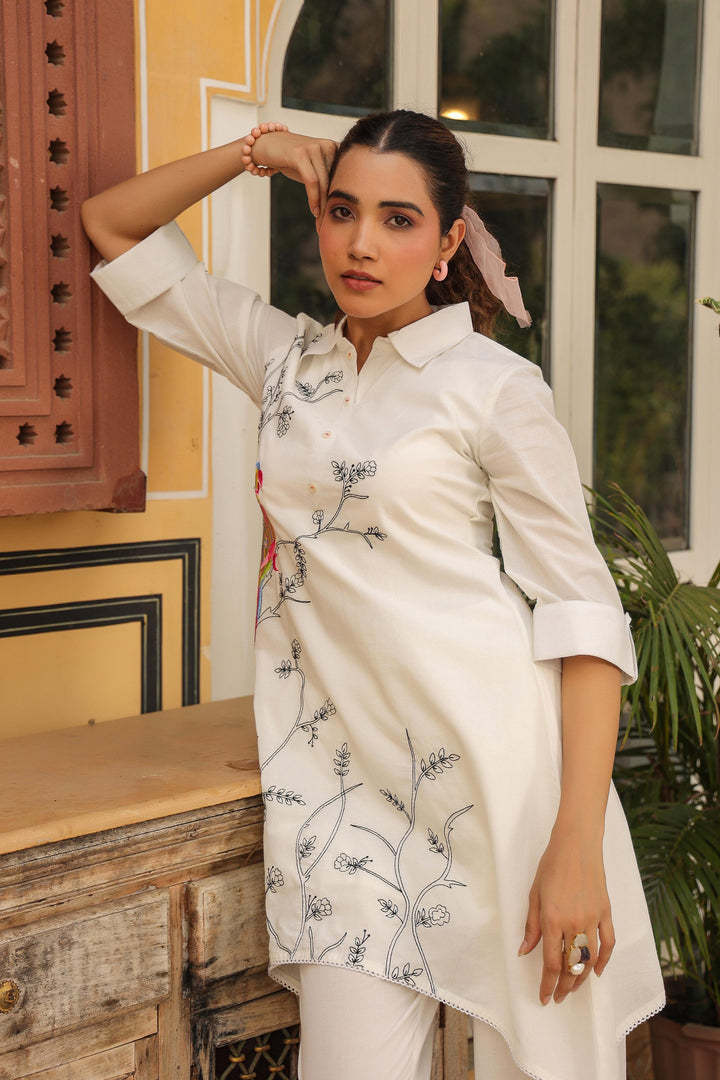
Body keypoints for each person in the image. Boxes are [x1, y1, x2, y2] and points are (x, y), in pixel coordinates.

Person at [81, 110, 665, 1080]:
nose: (360, 243)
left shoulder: (495, 387)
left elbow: (584, 615)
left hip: (502, 785)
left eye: (398, 220)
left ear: (448, 242)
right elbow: (111, 226)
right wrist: (258, 151)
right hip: (340, 800)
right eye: (342, 210)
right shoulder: (285, 363)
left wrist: (578, 846)